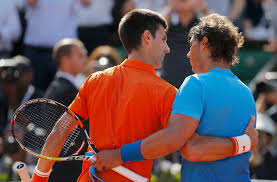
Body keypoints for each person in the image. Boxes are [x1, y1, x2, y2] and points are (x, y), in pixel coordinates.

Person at [31, 10, 257, 182]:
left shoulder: (94, 80)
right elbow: (190, 146)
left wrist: (39, 177)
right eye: (163, 39)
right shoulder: (168, 92)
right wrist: (245, 143)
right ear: (147, 37)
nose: (168, 49)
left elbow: (60, 129)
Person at [43, 38, 87, 182]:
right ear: (65, 59)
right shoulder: (66, 91)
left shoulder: (59, 87)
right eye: (80, 56)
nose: (85, 60)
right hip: (66, 170)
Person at [23, 0, 90, 91]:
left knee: (66, 93)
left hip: (66, 54)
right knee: (36, 95)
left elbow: (87, 2)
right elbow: (29, 2)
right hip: (36, 52)